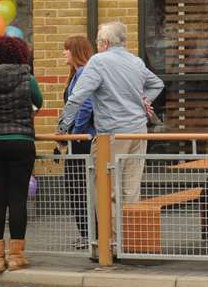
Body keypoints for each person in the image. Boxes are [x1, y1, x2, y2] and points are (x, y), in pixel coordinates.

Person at [65, 21, 164, 206]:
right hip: (139, 131)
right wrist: (145, 101)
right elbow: (157, 84)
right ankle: (128, 234)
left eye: (97, 42)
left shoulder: (98, 61)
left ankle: (110, 236)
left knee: (106, 189)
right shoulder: (136, 61)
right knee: (131, 189)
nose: (96, 46)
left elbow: (77, 97)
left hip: (112, 133)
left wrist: (62, 128)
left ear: (106, 43)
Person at [0, 36, 44, 273]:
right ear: (21, 54)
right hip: (21, 142)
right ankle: (16, 256)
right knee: (17, 199)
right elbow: (39, 102)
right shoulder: (27, 77)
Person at [57, 33, 97, 249]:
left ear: (76, 52)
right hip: (78, 138)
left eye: (66, 49)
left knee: (78, 186)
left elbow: (85, 106)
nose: (63, 53)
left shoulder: (83, 74)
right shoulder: (77, 74)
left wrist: (74, 132)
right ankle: (86, 232)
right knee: (77, 186)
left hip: (82, 140)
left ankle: (89, 233)